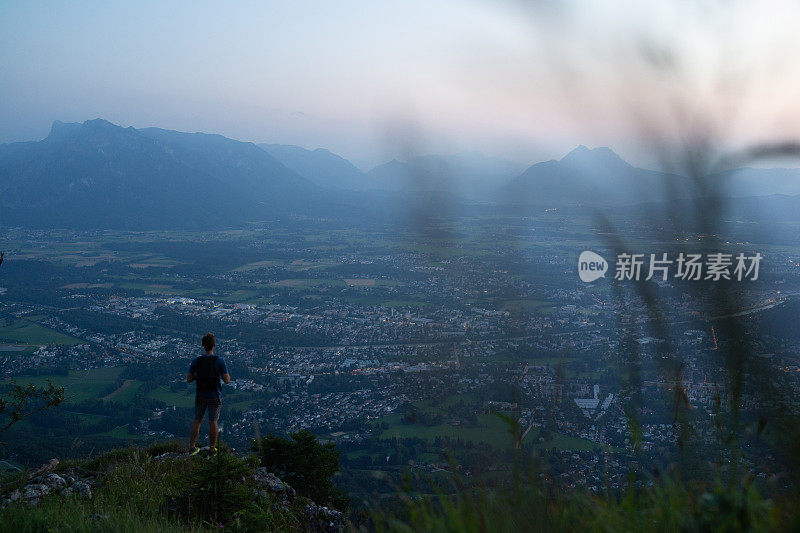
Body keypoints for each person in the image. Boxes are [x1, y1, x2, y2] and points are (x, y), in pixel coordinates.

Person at [187, 333, 230, 453]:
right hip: (214, 395)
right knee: (213, 421)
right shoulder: (219, 361)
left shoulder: (197, 361)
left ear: (203, 346)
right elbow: (227, 380)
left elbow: (189, 379)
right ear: (214, 345)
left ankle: (192, 447)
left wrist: (198, 376)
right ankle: (212, 449)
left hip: (200, 395)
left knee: (197, 420)